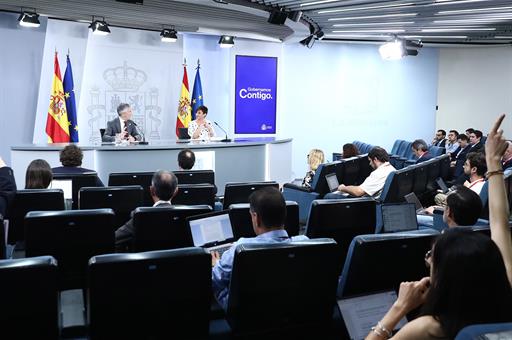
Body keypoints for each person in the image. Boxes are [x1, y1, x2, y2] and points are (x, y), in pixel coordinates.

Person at [365, 115, 512, 340]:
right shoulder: (507, 292)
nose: (428, 260)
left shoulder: (429, 328)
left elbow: (499, 223)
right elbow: (500, 223)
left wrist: (399, 308)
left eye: (430, 257)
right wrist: (493, 162)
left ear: (445, 275)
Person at [211, 187, 309, 310]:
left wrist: (216, 265)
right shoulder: (305, 243)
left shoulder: (240, 248)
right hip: (291, 313)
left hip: (247, 318)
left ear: (256, 218)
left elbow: (214, 280)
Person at [115, 170, 178, 251]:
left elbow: (114, 240)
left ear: (151, 190)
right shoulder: (185, 215)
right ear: (176, 191)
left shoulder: (139, 217)